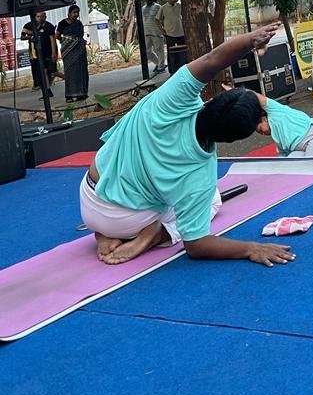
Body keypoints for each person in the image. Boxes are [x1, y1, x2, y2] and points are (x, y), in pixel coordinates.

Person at [79, 24, 297, 266]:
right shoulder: (201, 175)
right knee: (213, 200)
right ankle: (156, 234)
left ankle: (107, 232)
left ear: (211, 102)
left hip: (88, 196)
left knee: (164, 190)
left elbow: (212, 60)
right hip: (128, 219)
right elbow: (196, 244)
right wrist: (250, 248)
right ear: (231, 139)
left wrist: (250, 40)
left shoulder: (172, 100)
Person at [250, 91, 313, 158]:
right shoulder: (277, 139)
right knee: (289, 166)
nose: (262, 133)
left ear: (264, 119)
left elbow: (258, 98)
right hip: (301, 149)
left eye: (260, 130)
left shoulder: (274, 110)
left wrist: (242, 92)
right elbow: (283, 157)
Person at [20, 9, 58, 98]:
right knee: (42, 71)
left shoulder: (48, 26)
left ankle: (68, 80)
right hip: (36, 52)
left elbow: (53, 40)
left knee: (52, 72)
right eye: (38, 16)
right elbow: (22, 37)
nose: (40, 18)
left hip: (47, 52)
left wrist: (54, 52)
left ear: (45, 17)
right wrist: (31, 36)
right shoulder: (30, 25)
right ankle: (46, 90)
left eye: (42, 16)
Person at [55, 5, 89, 102]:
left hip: (80, 50)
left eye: (77, 12)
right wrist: (67, 41)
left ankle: (81, 94)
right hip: (68, 51)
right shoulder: (62, 23)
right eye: (74, 12)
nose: (76, 14)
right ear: (69, 13)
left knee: (81, 71)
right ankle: (69, 96)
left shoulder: (79, 23)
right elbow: (57, 35)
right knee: (70, 72)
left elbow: (80, 36)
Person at [158, 0, 186, 75]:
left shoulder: (180, 6)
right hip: (170, 33)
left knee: (183, 52)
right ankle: (172, 70)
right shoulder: (163, 8)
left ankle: (183, 68)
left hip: (181, 32)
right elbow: (157, 19)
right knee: (171, 53)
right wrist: (162, 30)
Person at [142, 0, 166, 75]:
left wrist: (163, 29)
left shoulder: (158, 7)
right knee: (147, 52)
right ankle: (158, 63)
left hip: (157, 32)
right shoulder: (143, 8)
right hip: (146, 32)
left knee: (159, 50)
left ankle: (161, 67)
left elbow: (162, 18)